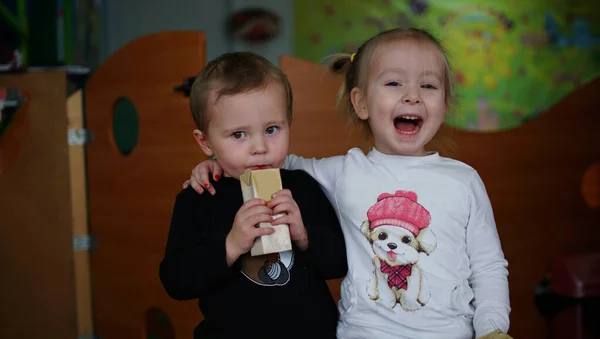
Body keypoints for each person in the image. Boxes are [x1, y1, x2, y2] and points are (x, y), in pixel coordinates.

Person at [182, 28, 512, 339]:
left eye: (428, 86)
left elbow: (488, 266)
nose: (412, 96)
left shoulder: (463, 180)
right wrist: (214, 162)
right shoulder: (343, 173)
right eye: (395, 83)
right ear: (361, 103)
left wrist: (492, 328)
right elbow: (269, 161)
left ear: (444, 105)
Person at [159, 51, 347, 339]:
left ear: (289, 124)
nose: (259, 147)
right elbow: (176, 281)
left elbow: (341, 262)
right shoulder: (198, 197)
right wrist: (231, 246)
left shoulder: (302, 187)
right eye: (238, 135)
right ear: (205, 141)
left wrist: (305, 236)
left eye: (271, 129)